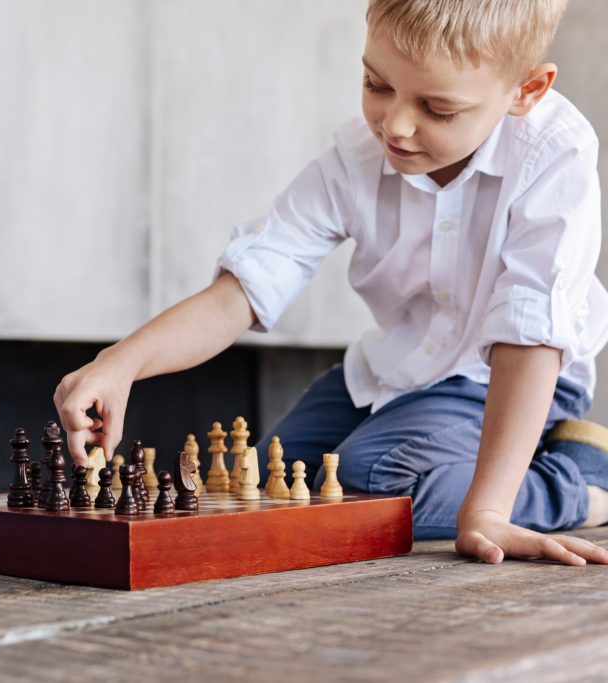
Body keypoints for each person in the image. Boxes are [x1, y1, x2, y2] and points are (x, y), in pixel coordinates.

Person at [55, 0, 608, 567]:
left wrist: (488, 510)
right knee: (268, 483)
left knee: (369, 478)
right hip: (389, 370)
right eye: (376, 83)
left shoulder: (553, 153)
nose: (395, 123)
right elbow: (241, 290)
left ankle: (576, 481)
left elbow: (529, 333)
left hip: (506, 374)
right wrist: (121, 363)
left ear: (527, 90)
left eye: (438, 109)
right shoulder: (357, 158)